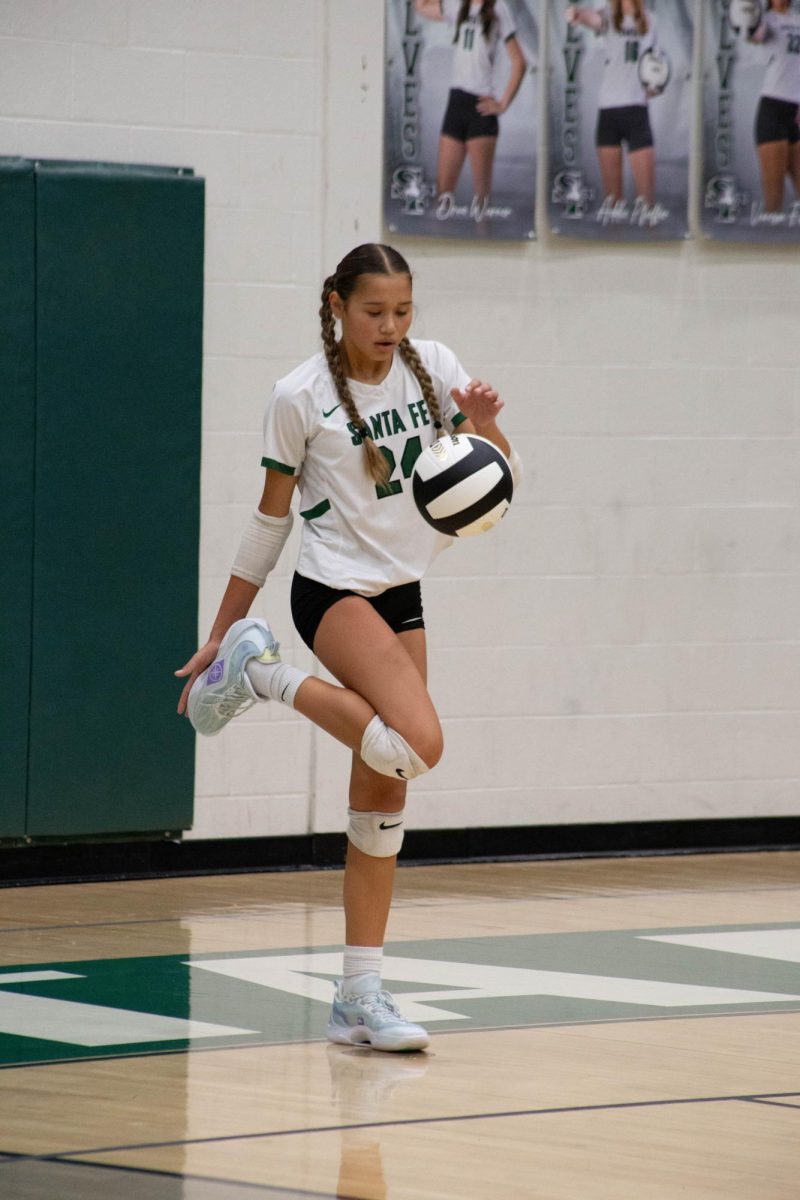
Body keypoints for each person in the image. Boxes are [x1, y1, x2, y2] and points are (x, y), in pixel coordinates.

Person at [175, 243, 522, 1053]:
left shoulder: (432, 367)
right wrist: (222, 629)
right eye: (375, 312)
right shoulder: (299, 396)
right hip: (331, 593)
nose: (391, 328)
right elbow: (270, 523)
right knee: (420, 744)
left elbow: (492, 486)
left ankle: (358, 996)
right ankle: (260, 673)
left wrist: (492, 423)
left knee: (386, 795)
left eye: (402, 311)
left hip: (401, 593)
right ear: (336, 302)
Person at [415, 0, 527, 212]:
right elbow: (421, 7)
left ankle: (485, 234)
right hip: (456, 103)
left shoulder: (498, 8)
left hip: (480, 107)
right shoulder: (457, 5)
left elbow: (519, 62)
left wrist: (502, 104)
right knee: (443, 196)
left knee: (481, 202)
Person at [566, 1, 660, 206]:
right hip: (609, 111)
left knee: (648, 203)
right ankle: (613, 233)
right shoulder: (608, 16)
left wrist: (654, 86)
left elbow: (654, 65)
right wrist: (578, 15)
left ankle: (651, 235)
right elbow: (593, 19)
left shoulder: (651, 21)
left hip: (637, 111)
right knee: (613, 203)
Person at [748, 0, 800, 213]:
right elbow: (754, 34)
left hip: (796, 111)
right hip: (774, 107)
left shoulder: (798, 19)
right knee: (774, 195)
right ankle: (767, 242)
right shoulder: (766, 20)